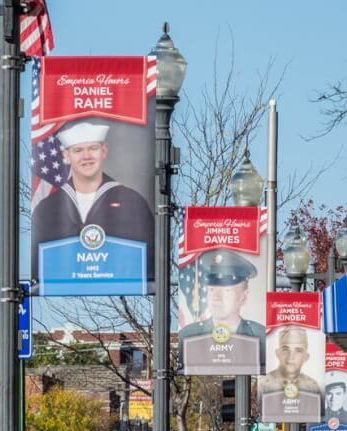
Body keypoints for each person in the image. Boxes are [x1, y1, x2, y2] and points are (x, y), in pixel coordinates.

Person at [31, 121, 155, 277]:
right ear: (66, 156)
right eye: (78, 150)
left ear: (104, 151)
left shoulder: (133, 202)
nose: (86, 156)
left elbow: (148, 261)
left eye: (93, 148)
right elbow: (38, 265)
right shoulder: (47, 209)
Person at [179, 251, 264, 341]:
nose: (216, 297)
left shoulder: (260, 335)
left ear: (244, 297)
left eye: (226, 290)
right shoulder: (187, 335)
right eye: (211, 290)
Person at [257, 327, 321, 397]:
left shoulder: (312, 386)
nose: (291, 356)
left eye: (298, 350)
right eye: (285, 349)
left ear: (306, 357)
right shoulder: (262, 385)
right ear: (278, 353)